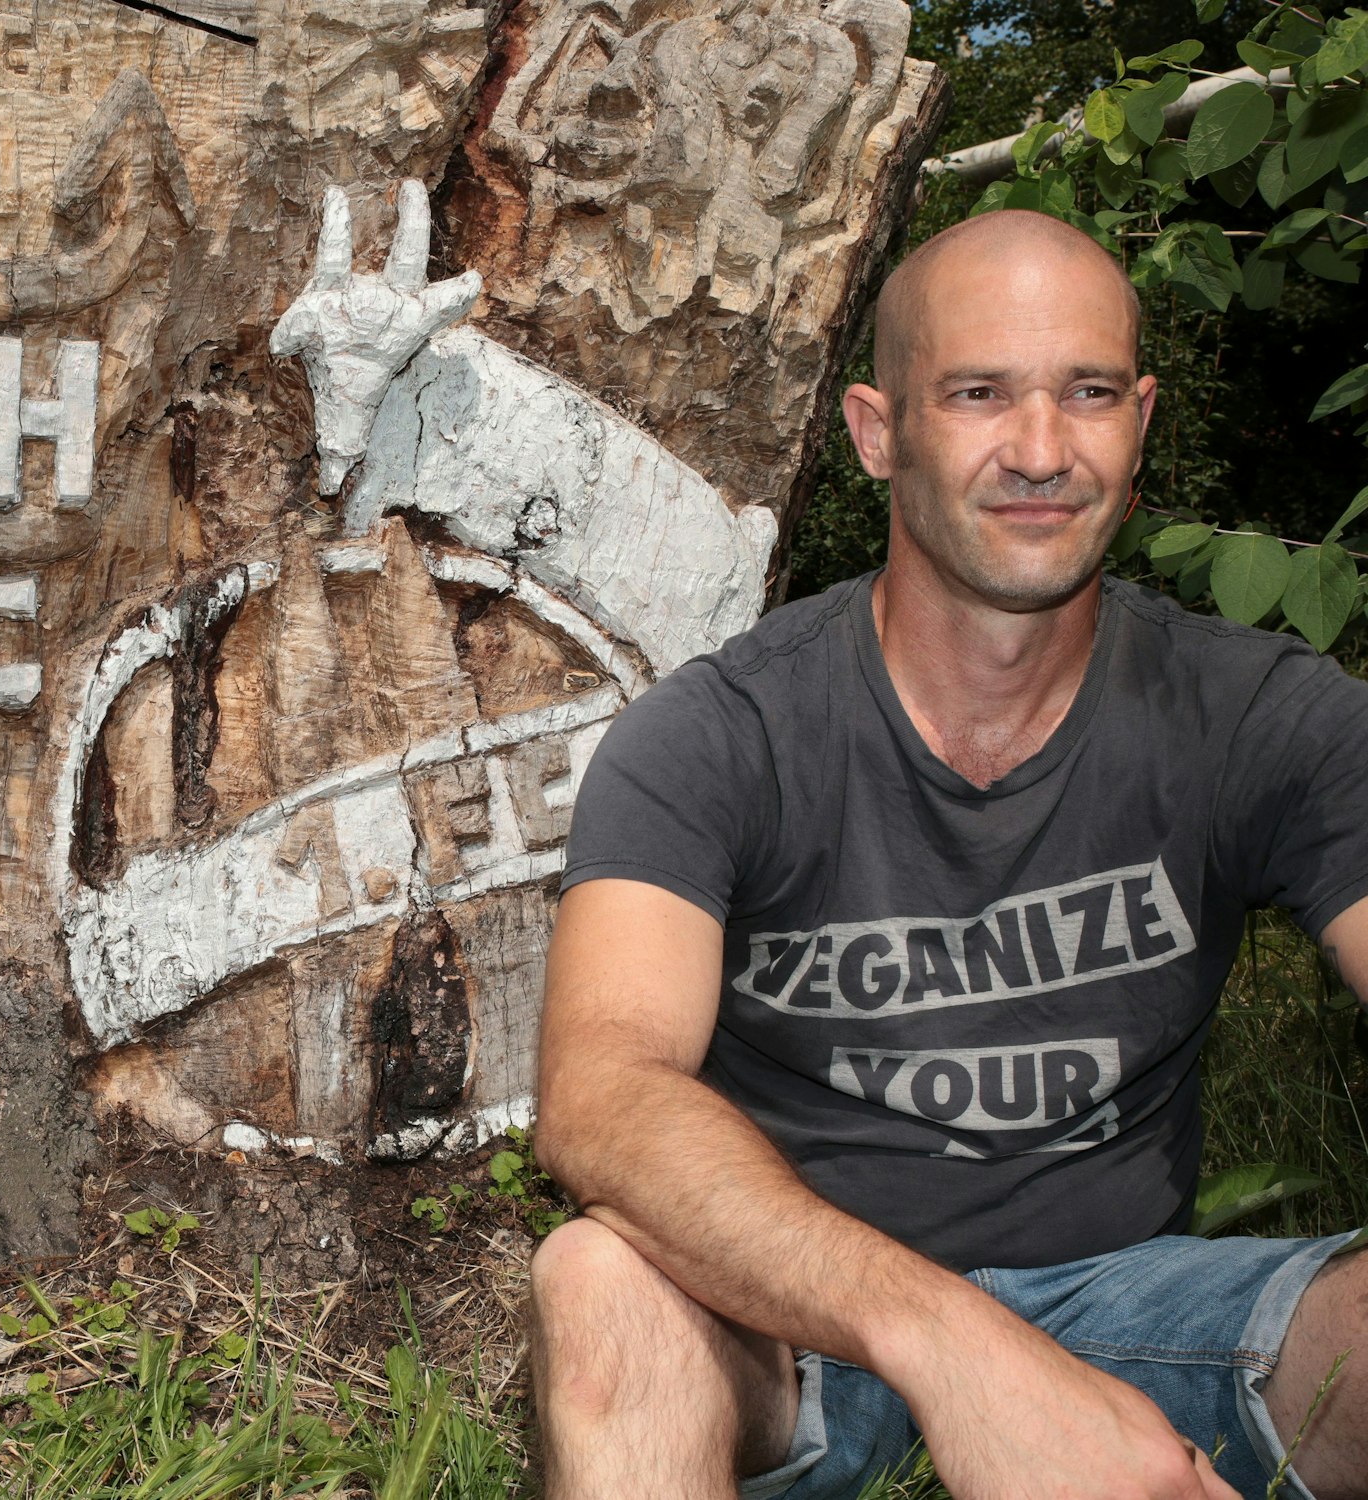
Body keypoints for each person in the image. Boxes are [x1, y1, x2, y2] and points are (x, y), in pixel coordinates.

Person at [531, 208, 1368, 1500]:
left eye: (1087, 394)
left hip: (1147, 1310)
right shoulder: (715, 735)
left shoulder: (1263, 715)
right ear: (879, 433)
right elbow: (602, 1099)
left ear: (1139, 422)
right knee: (596, 1278)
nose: (1041, 451)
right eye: (979, 394)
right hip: (793, 1321)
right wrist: (953, 1345)